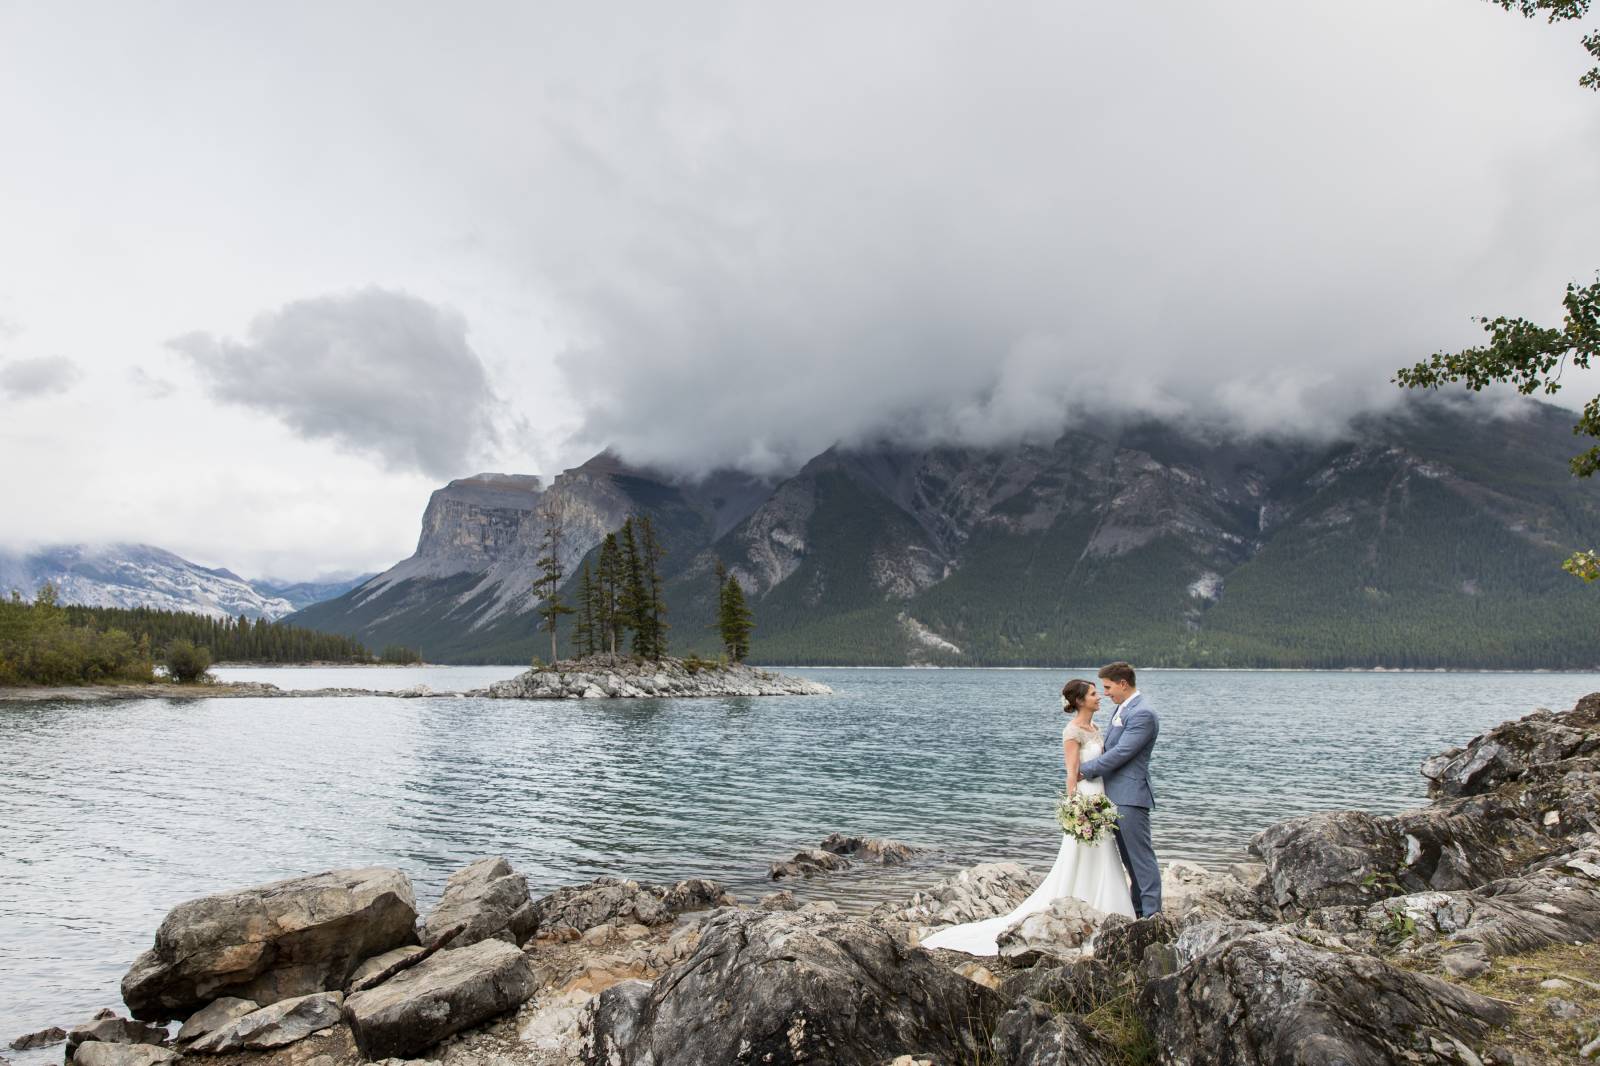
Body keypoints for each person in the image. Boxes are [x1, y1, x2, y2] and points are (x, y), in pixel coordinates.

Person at [920, 677, 1135, 956]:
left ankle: (1110, 909)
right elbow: (1071, 772)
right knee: (1083, 854)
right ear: (1080, 701)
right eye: (1094, 694)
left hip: (1101, 797)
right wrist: (1075, 807)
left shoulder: (1095, 728)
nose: (1100, 697)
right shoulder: (1072, 732)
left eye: (1099, 692)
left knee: (1106, 853)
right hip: (1086, 799)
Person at [1077, 660, 1161, 917]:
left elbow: (1122, 752)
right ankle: (1137, 912)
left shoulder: (1142, 713)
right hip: (1115, 796)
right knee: (1129, 862)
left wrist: (1086, 769)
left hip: (1130, 797)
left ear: (1123, 684)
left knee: (1142, 860)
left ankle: (1153, 916)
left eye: (1108, 687)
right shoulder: (1123, 710)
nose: (1106, 693)